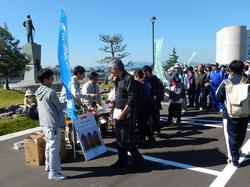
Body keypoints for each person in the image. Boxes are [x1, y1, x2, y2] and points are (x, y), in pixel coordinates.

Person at [108, 58, 143, 168]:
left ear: (117, 68)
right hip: (118, 112)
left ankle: (138, 159)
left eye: (111, 70)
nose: (110, 72)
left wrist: (123, 113)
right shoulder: (117, 79)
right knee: (119, 138)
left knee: (126, 139)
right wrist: (112, 108)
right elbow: (118, 96)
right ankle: (122, 160)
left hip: (127, 113)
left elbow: (131, 98)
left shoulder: (129, 78)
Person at [216, 60, 250, 167]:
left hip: (229, 113)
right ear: (242, 69)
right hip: (244, 113)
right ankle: (237, 150)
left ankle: (233, 158)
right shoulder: (247, 81)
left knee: (230, 136)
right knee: (241, 134)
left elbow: (218, 96)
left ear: (230, 69)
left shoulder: (226, 82)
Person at [35, 68, 67, 180]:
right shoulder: (51, 92)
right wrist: (66, 102)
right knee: (54, 148)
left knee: (49, 146)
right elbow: (59, 106)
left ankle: (48, 166)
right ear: (46, 79)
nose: (53, 79)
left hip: (44, 123)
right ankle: (54, 173)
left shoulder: (38, 90)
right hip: (53, 124)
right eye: (51, 77)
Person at [134, 69, 155, 146]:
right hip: (149, 105)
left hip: (142, 107)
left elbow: (138, 97)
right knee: (144, 123)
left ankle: (142, 140)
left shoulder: (138, 84)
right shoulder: (147, 83)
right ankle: (150, 137)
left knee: (141, 124)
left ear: (136, 76)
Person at [143, 65, 162, 135]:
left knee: (152, 116)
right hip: (156, 100)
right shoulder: (156, 78)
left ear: (147, 71)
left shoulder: (149, 79)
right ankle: (157, 130)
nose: (144, 74)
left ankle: (154, 130)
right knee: (156, 116)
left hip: (152, 101)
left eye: (144, 72)